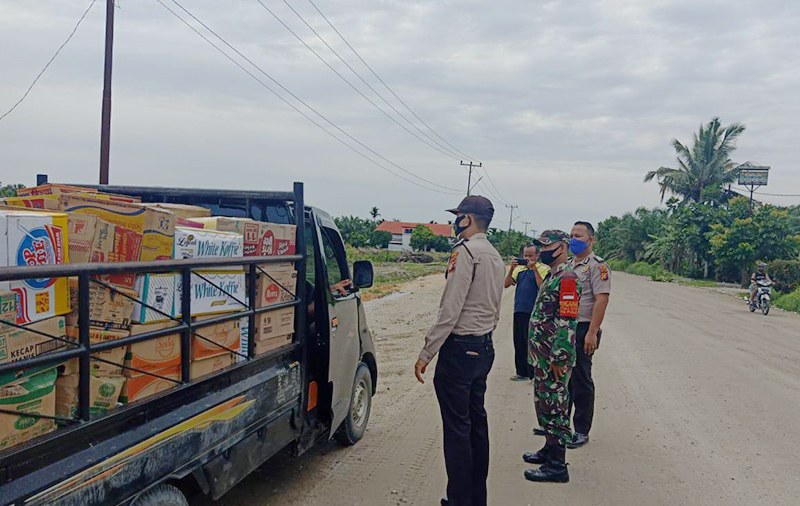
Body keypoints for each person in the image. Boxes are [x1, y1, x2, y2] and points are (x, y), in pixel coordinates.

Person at [414, 195, 505, 506]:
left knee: (457, 429)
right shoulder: (494, 254)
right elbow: (494, 308)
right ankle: (476, 498)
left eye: (458, 216)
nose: (456, 221)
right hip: (483, 347)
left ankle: (458, 499)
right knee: (476, 423)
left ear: (467, 219)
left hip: (460, 350)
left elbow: (450, 308)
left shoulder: (465, 252)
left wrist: (428, 351)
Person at [523, 230, 580, 483]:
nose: (543, 250)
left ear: (563, 247)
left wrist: (559, 357)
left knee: (555, 406)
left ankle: (557, 466)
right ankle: (549, 448)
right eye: (541, 245)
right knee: (544, 403)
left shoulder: (567, 277)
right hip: (542, 355)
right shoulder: (553, 275)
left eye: (548, 245)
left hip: (553, 357)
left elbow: (568, 319)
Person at [566, 221, 611, 449]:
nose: (573, 239)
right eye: (571, 234)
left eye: (579, 235)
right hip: (566, 327)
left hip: (584, 327)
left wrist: (592, 332)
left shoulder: (597, 266)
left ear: (590, 240)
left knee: (581, 379)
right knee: (562, 378)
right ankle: (560, 424)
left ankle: (581, 430)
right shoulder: (567, 264)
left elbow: (601, 299)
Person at [505, 244, 549, 381]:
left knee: (534, 343)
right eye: (525, 255)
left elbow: (542, 287)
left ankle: (535, 373)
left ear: (537, 256)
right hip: (519, 310)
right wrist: (512, 268)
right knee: (519, 341)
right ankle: (522, 372)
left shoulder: (544, 269)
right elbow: (506, 284)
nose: (528, 258)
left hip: (535, 312)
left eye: (531, 255)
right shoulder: (519, 270)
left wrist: (534, 269)